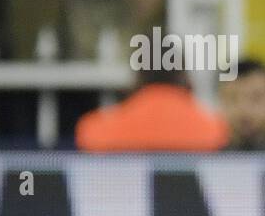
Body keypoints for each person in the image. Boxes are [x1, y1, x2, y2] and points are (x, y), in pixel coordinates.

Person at [75, 64, 228, 152]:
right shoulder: (214, 128)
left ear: (138, 75)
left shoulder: (95, 128)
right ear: (183, 75)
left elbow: (89, 139)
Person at [218, 59, 265, 150]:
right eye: (233, 99)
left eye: (255, 98)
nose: (244, 109)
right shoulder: (207, 161)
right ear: (222, 103)